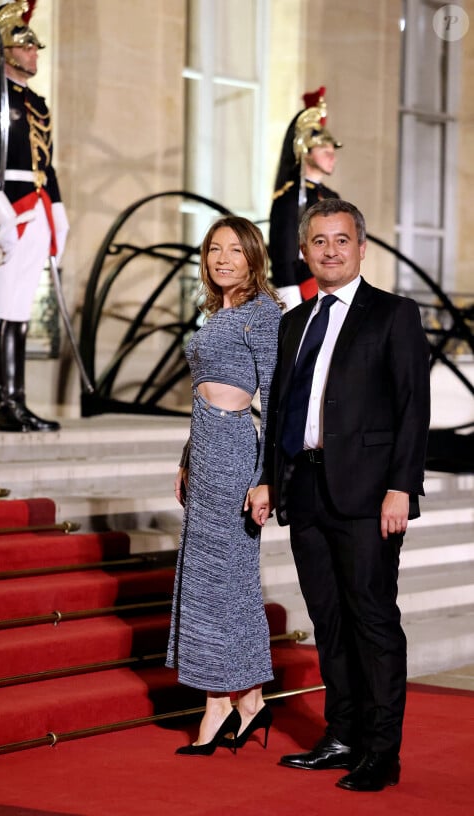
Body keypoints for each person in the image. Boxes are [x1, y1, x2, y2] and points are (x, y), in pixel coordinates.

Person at [249, 199, 430, 791]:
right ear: (304, 251)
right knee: (328, 622)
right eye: (319, 241)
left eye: (341, 240)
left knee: (372, 621)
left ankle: (382, 751)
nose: (330, 250)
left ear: (361, 247)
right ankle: (343, 734)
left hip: (370, 494)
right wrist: (272, 477)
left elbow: (412, 409)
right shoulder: (294, 321)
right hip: (305, 491)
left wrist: (401, 486)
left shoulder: (394, 315)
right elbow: (281, 408)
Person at [166, 216, 283, 756]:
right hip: (206, 451)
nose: (222, 259)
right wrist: (189, 457)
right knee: (208, 582)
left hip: (238, 452)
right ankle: (233, 699)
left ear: (253, 258)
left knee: (232, 579)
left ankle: (238, 699)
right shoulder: (218, 313)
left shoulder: (262, 315)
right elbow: (202, 394)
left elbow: (278, 403)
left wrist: (266, 480)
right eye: (214, 249)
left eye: (234, 250)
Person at [0, 0, 69, 432]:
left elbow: (48, 166)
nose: (35, 54)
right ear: (6, 50)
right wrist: (1, 218)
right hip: (6, 210)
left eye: (36, 48)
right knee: (0, 307)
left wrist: (58, 215)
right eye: (27, 48)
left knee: (21, 310)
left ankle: (18, 401)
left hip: (37, 210)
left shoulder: (38, 103)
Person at [269, 87, 341, 311]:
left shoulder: (332, 197)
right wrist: (290, 302)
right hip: (304, 288)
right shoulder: (290, 197)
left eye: (332, 148)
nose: (332, 154)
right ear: (305, 151)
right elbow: (283, 255)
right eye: (323, 148)